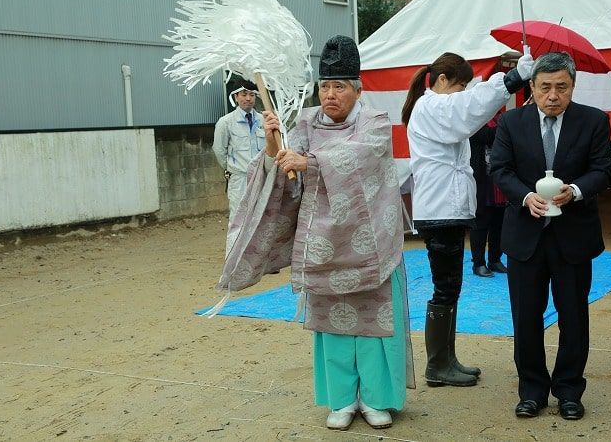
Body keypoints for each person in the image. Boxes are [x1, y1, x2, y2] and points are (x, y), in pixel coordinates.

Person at [216, 35, 415, 431]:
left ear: (358, 90)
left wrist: (309, 160)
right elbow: (285, 172)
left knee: (374, 326)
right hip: (322, 241)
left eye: (339, 86)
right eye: (325, 86)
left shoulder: (373, 122)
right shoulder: (304, 122)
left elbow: (361, 156)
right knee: (333, 325)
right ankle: (341, 400)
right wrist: (275, 142)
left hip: (370, 241)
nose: (330, 94)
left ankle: (377, 400)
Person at [490, 52, 611, 420]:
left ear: (572, 86)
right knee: (525, 317)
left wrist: (575, 190)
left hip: (573, 237)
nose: (553, 95)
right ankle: (531, 390)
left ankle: (569, 390)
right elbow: (499, 168)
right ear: (532, 87)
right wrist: (526, 196)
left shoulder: (593, 121)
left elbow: (603, 169)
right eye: (545, 87)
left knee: (574, 316)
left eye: (562, 87)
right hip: (525, 237)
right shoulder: (512, 123)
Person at [401, 49, 534, 387]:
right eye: (460, 85)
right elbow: (467, 107)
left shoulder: (435, 105)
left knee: (450, 287)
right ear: (442, 80)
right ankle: (437, 364)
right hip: (440, 209)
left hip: (446, 207)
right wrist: (512, 80)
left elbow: (471, 100)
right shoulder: (431, 106)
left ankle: (446, 359)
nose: (463, 92)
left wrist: (506, 81)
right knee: (445, 288)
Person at [212, 79, 264, 223]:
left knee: (261, 218)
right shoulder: (226, 122)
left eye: (252, 95)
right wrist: (232, 169)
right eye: (244, 94)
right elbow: (219, 151)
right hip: (240, 179)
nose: (248, 98)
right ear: (236, 97)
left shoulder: (264, 121)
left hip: (261, 177)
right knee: (239, 220)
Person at [469, 114, 508, 277]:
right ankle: (478, 263)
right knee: (480, 222)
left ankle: (495, 259)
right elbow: (490, 136)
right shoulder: (473, 122)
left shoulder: (501, 121)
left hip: (499, 181)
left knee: (498, 222)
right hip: (481, 180)